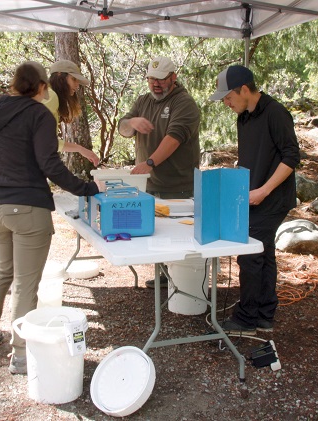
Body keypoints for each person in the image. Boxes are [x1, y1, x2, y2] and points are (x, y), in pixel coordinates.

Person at [0, 61, 100, 374]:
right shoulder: (38, 114)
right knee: (25, 283)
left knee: (2, 271)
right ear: (41, 87)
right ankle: (21, 353)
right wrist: (86, 189)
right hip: (28, 208)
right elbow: (49, 164)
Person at [209, 65, 300, 335]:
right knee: (263, 254)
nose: (225, 103)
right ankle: (264, 314)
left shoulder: (276, 113)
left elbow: (291, 157)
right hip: (252, 196)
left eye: (228, 97)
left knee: (249, 256)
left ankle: (246, 319)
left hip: (273, 197)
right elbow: (249, 160)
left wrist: (264, 190)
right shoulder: (244, 118)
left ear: (245, 90)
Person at [117, 56, 201, 288]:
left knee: (180, 236)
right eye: (151, 79)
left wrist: (150, 162)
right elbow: (122, 128)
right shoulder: (143, 101)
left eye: (161, 80)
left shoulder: (184, 103)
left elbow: (174, 138)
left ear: (173, 78)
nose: (155, 84)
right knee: (158, 233)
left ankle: (185, 282)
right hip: (150, 184)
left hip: (179, 184)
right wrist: (132, 122)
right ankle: (166, 277)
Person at [43, 59, 100, 166]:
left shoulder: (45, 93)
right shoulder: (51, 96)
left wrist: (80, 149)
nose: (77, 85)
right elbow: (43, 141)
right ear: (59, 75)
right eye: (74, 79)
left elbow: (48, 141)